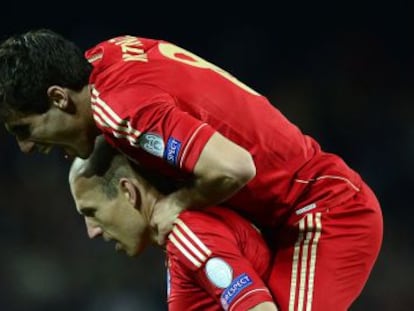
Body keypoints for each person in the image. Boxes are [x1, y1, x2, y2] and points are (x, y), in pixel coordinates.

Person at [0, 29, 383, 310]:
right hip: (277, 218)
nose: (26, 147)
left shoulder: (119, 111)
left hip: (319, 211)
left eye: (24, 129)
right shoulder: (106, 56)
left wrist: (179, 202)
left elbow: (234, 167)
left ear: (58, 97)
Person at [69, 137, 278, 311]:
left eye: (92, 212)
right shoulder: (183, 238)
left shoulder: (190, 233)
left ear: (128, 192)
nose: (91, 231)